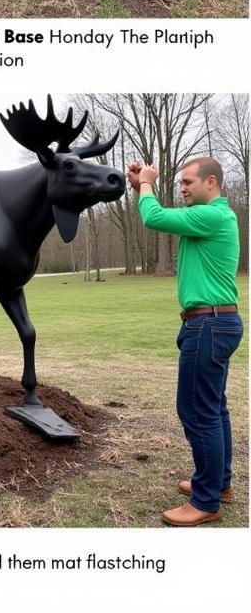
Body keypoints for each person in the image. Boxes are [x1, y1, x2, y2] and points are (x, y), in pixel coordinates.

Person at [128, 156, 242, 526]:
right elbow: (160, 212)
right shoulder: (210, 219)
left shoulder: (213, 216)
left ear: (211, 183)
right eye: (180, 183)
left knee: (197, 411)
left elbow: (154, 217)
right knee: (214, 408)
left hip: (208, 325)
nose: (182, 188)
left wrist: (147, 182)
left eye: (188, 182)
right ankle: (218, 483)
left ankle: (206, 500)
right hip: (216, 322)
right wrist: (140, 187)